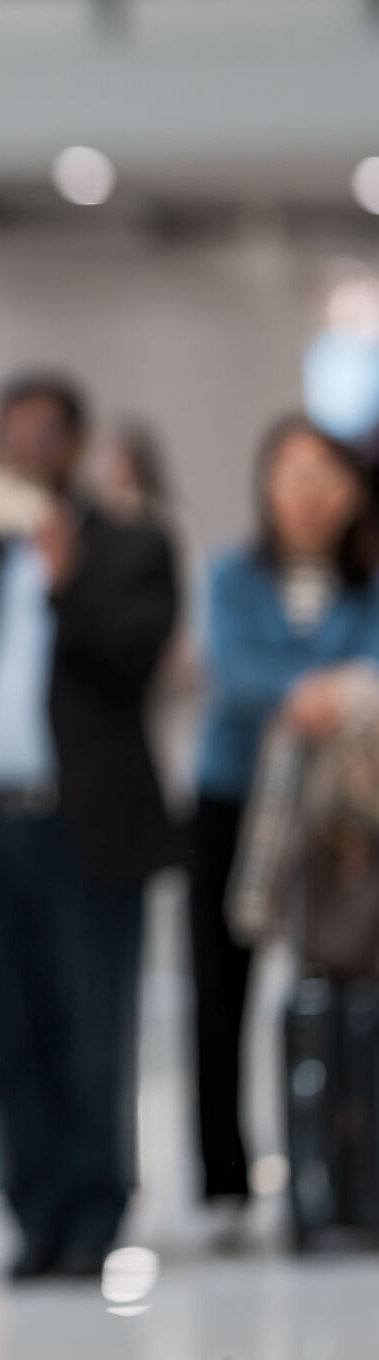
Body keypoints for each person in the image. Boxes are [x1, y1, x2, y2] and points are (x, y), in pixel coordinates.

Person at [0, 373, 181, 1280]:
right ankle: (34, 1209)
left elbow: (135, 660)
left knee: (91, 1024)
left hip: (82, 826)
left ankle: (97, 1210)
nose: (27, 449)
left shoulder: (130, 544)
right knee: (2, 1029)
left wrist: (68, 579)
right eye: (11, 433)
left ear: (78, 442)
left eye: (45, 432)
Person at [190, 417, 379, 1214]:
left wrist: (331, 692)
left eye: (322, 476)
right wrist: (320, 691)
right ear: (267, 488)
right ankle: (226, 1180)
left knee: (341, 976)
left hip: (344, 810)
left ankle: (343, 1166)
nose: (306, 494)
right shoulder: (233, 573)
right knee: (220, 987)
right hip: (236, 795)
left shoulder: (366, 578)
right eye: (290, 475)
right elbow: (234, 671)